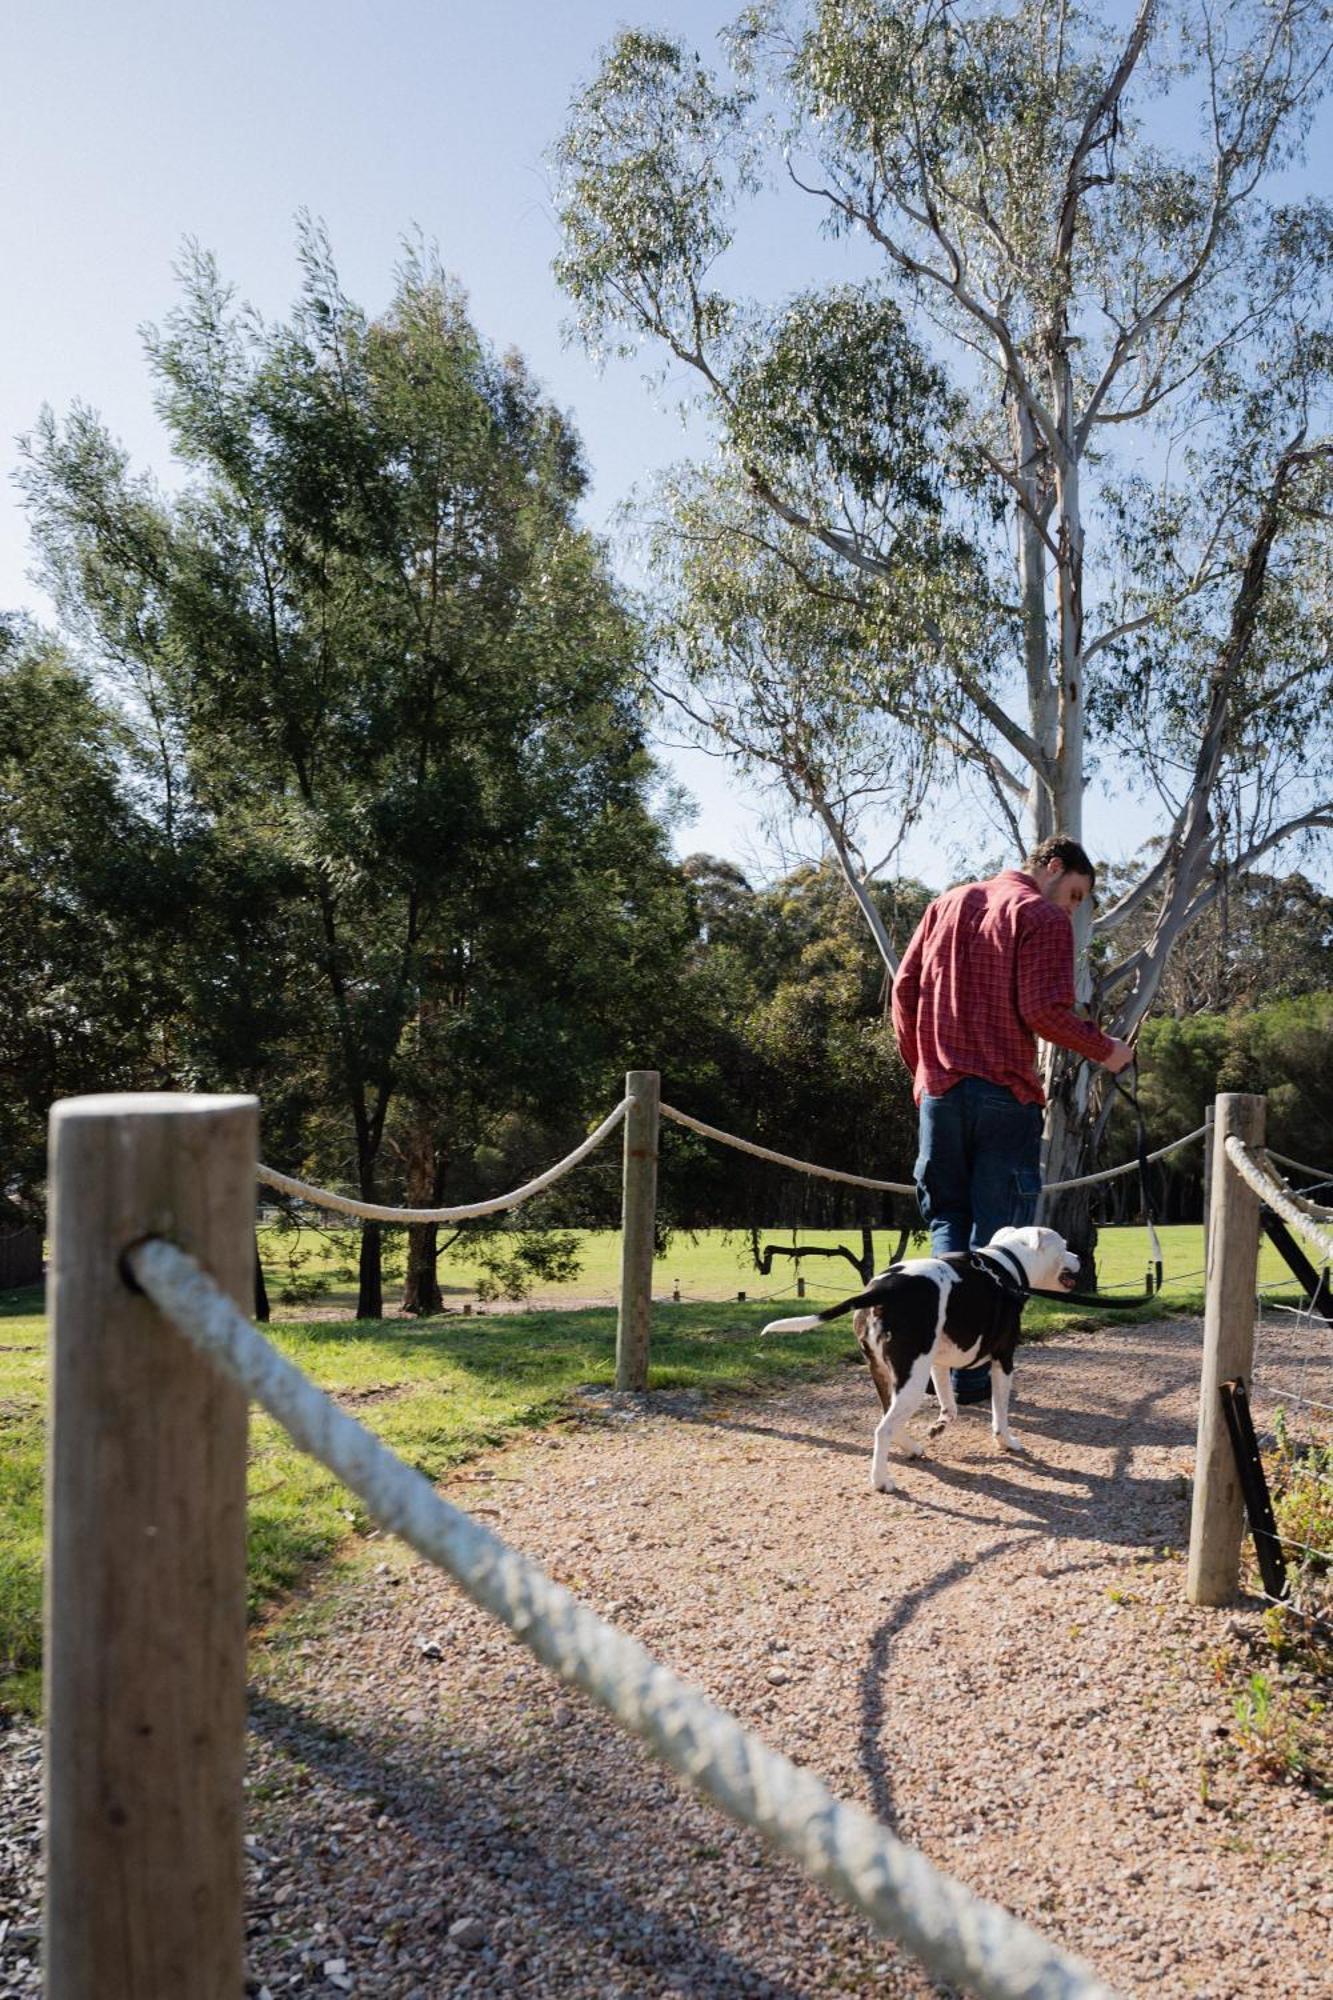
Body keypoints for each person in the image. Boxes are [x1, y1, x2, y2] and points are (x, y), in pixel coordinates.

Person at [891, 836, 1135, 1402]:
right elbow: (1043, 1010)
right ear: (1052, 868)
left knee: (948, 1224)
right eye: (1075, 894)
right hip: (1004, 1091)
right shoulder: (1040, 916)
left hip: (941, 1094)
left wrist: (922, 1071)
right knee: (1000, 1236)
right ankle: (976, 1372)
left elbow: (904, 991)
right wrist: (1107, 1050)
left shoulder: (945, 904)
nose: (1073, 909)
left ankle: (940, 1366)